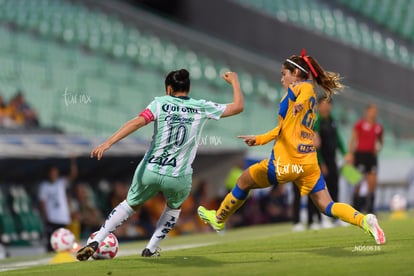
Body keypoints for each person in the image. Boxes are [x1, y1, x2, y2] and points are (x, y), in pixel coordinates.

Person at [198, 50, 386, 245]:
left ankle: (219, 219)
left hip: (286, 163)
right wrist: (260, 139)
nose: (282, 78)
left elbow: (304, 94)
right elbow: (283, 128)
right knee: (326, 205)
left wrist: (299, 104)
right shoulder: (304, 92)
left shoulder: (300, 88)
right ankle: (365, 221)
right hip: (308, 163)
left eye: (284, 73)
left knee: (244, 180)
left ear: (295, 73)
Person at [76, 68, 244, 260]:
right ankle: (151, 247)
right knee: (174, 207)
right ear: (188, 88)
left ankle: (97, 239)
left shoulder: (160, 103)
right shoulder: (201, 106)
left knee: (129, 205)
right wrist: (234, 81)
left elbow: (136, 123)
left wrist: (108, 143)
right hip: (178, 176)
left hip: (150, 169)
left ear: (169, 89)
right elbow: (238, 107)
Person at [346, 104, 383, 213]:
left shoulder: (378, 127)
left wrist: (378, 148)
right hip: (360, 155)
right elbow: (353, 139)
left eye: (375, 111)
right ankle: (355, 208)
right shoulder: (360, 124)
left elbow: (381, 141)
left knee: (372, 182)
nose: (374, 113)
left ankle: (370, 209)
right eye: (372, 110)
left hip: (372, 157)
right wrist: (350, 154)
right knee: (357, 182)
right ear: (367, 112)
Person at [38, 157, 78, 252]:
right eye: (52, 172)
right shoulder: (44, 186)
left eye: (55, 172)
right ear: (48, 174)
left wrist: (73, 161)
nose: (53, 174)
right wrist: (46, 217)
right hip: (52, 218)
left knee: (64, 240)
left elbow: (73, 175)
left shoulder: (61, 182)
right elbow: (42, 202)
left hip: (63, 217)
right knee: (52, 242)